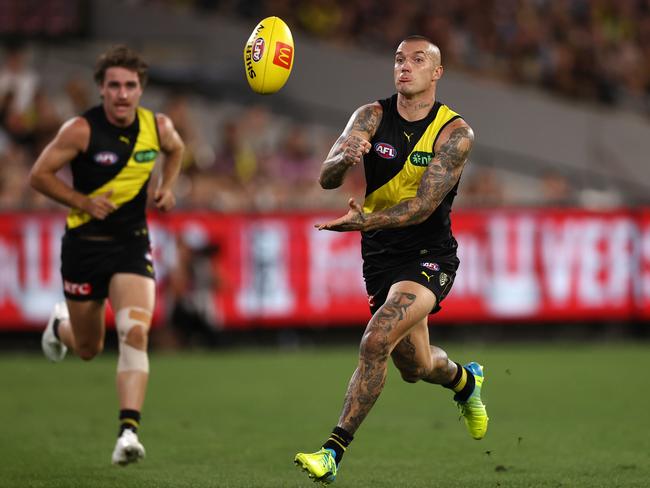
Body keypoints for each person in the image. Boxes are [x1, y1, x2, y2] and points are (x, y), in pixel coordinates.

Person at [294, 36, 488, 484]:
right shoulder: (370, 116)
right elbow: (326, 179)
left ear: (436, 72)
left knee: (375, 339)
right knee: (415, 367)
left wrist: (363, 223)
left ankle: (332, 452)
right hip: (381, 258)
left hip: (429, 256)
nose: (405, 67)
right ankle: (464, 381)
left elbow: (421, 207)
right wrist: (343, 159)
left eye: (418, 60)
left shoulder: (454, 133)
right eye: (399, 59)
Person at [29, 45, 184, 466]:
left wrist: (167, 187)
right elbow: (38, 175)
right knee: (87, 347)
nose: (121, 93)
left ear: (140, 89)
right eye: (113, 85)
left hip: (132, 245)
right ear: (101, 89)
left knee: (135, 333)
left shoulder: (158, 126)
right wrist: (82, 200)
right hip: (84, 248)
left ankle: (128, 433)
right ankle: (59, 324)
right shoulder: (80, 130)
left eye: (130, 85)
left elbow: (177, 150)